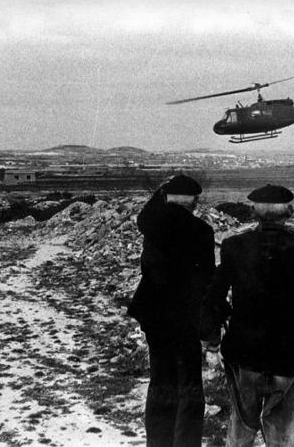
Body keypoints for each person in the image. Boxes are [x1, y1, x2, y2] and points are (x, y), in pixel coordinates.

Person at [200, 184, 294, 447]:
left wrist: (213, 334)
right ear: (289, 213)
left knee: (241, 427)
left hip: (245, 353)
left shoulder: (233, 246)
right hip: (290, 356)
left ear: (254, 213)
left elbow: (213, 298)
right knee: (283, 432)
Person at [127, 174, 215, 447]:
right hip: (186, 317)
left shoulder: (152, 224)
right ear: (194, 202)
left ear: (167, 198)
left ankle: (158, 442)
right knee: (189, 384)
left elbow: (144, 214)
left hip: (155, 316)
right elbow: (207, 281)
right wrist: (209, 326)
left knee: (160, 382)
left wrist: (161, 190)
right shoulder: (201, 231)